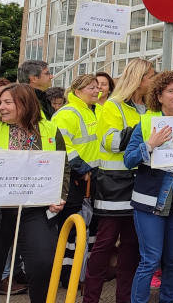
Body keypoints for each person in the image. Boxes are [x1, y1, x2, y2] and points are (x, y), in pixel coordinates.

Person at [0, 83, 68, 303]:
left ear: (25, 103)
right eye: (0, 102)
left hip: (35, 210)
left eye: (7, 102)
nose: (0, 107)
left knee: (42, 264)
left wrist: (60, 197)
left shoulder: (50, 130)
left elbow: (62, 168)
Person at [124, 71, 173, 303]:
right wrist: (149, 144)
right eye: (171, 91)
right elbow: (128, 160)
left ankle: (168, 300)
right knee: (150, 259)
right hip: (149, 203)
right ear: (158, 96)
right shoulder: (147, 122)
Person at [86, 59, 154, 303]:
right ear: (138, 79)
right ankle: (90, 298)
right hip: (114, 186)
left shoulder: (150, 107)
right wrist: (146, 132)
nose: (153, 81)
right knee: (104, 246)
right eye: (150, 76)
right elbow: (111, 142)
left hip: (142, 184)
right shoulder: (112, 106)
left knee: (132, 248)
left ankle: (124, 298)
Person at [51, 74, 101, 285]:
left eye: (97, 87)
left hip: (92, 176)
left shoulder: (91, 111)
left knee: (88, 227)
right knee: (72, 226)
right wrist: (81, 168)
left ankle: (82, 271)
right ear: (77, 90)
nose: (96, 91)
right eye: (91, 87)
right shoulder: (68, 113)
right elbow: (63, 145)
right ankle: (67, 275)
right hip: (75, 178)